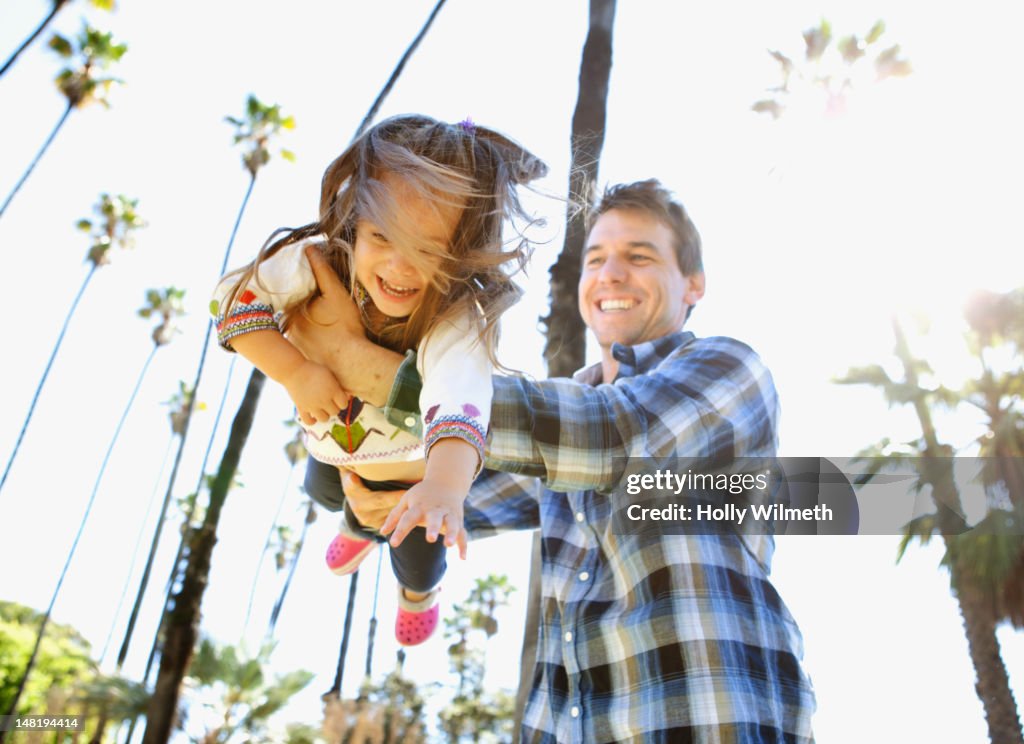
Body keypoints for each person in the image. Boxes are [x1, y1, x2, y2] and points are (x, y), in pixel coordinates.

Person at [289, 179, 816, 741]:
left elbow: (612, 435)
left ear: (693, 284)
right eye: (596, 259)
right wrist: (378, 496)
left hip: (706, 719)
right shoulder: (556, 428)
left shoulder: (728, 369)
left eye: (639, 257)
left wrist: (355, 359)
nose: (611, 274)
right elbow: (453, 493)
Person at [210, 114, 547, 647]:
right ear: (354, 221)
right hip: (333, 448)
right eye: (381, 236)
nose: (399, 266)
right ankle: (354, 526)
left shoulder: (453, 313)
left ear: (461, 253)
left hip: (411, 480)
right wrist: (295, 370)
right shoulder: (319, 260)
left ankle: (419, 596)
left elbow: (460, 397)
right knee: (324, 491)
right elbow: (232, 301)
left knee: (417, 560)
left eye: (428, 250)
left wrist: (443, 487)